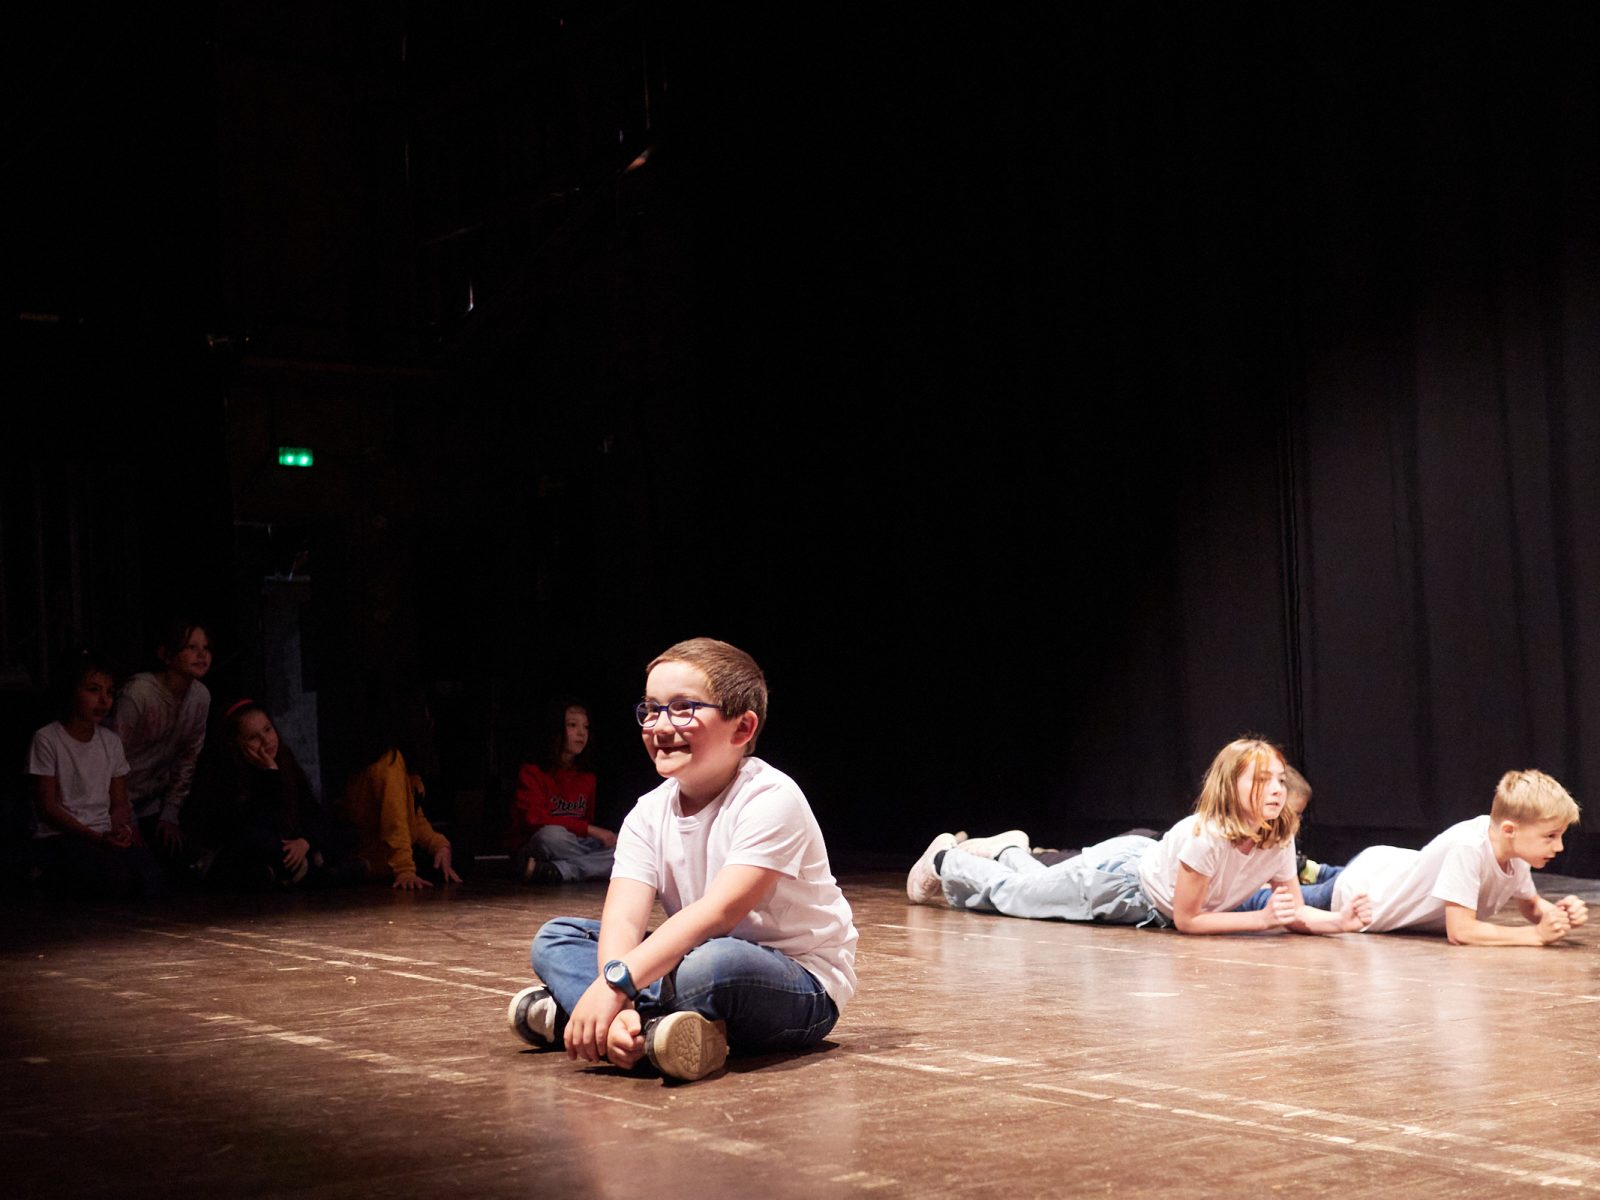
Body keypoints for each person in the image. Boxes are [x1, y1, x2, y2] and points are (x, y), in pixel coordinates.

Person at [509, 638, 857, 1082]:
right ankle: (642, 1032)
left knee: (712, 966)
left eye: (683, 708)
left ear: (742, 729)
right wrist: (616, 989)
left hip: (796, 982)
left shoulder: (771, 797)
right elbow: (623, 919)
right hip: (692, 958)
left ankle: (583, 1020)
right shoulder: (647, 813)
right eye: (652, 709)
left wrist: (615, 985)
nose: (660, 725)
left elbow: (718, 912)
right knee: (557, 937)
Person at [907, 736, 1371, 936]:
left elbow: (1291, 910)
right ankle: (945, 859)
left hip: (1145, 870)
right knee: (1015, 897)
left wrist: (1340, 922)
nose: (1276, 790)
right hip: (1123, 884)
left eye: (1279, 781)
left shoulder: (1277, 836)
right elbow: (1188, 921)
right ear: (1233, 787)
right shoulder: (1208, 836)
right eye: (1263, 781)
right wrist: (1261, 921)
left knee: (1032, 887)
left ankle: (1009, 848)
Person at [1326, 769, 1586, 945]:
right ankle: (1312, 871)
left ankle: (1316, 870)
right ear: (1509, 830)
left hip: (1380, 868)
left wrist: (1558, 915)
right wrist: (1535, 935)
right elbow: (1461, 931)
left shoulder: (1513, 850)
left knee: (1318, 876)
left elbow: (1531, 905)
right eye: (1550, 836)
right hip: (1359, 890)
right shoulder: (1469, 848)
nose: (1559, 847)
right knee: (1303, 898)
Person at [188, 700, 363, 889]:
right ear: (237, 744)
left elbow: (313, 812)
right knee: (263, 844)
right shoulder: (228, 775)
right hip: (251, 845)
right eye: (253, 738)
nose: (266, 740)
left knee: (347, 832)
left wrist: (305, 842)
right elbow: (251, 826)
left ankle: (293, 870)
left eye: (268, 729)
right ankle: (313, 870)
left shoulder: (285, 758)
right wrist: (269, 774)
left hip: (286, 841)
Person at [28, 654, 163, 898]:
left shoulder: (110, 742)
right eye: (93, 690)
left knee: (150, 876)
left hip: (101, 834)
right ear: (72, 692)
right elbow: (47, 807)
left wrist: (119, 830)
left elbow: (119, 802)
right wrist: (95, 837)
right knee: (112, 879)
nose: (103, 700)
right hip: (63, 836)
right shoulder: (47, 739)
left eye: (109, 692)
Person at [107, 620, 212, 858]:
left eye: (205, 647)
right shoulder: (139, 693)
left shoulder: (200, 697)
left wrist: (171, 812)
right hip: (116, 798)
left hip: (154, 799)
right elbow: (111, 756)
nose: (201, 655)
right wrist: (126, 816)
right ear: (166, 654)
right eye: (191, 647)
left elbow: (189, 756)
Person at [341, 689, 461, 890]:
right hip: (380, 856)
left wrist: (439, 845)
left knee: (457, 852)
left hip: (394, 853)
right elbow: (395, 822)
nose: (431, 724)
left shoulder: (404, 768)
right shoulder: (389, 763)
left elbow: (414, 819)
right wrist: (405, 869)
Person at [507, 700, 615, 884]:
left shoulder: (587, 777)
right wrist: (590, 830)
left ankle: (556, 870)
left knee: (624, 849)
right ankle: (585, 865)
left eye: (586, 727)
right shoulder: (532, 771)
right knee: (552, 835)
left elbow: (584, 823)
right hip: (537, 844)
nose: (581, 733)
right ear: (556, 730)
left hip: (573, 843)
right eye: (572, 725)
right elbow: (534, 820)